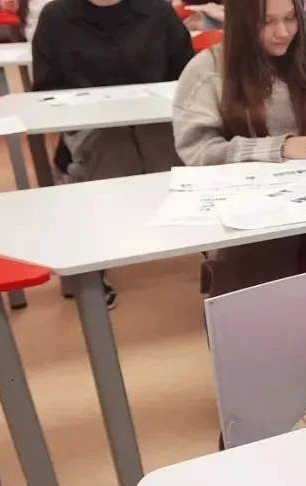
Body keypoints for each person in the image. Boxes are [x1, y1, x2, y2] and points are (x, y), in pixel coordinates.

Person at [172, 0, 306, 296]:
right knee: (262, 293)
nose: (283, 32)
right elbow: (197, 148)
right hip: (253, 221)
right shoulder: (207, 71)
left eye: (291, 18)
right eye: (267, 22)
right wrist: (277, 148)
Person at [31, 0, 194, 308]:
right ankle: (93, 266)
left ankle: (213, 248)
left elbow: (187, 76)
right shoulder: (56, 17)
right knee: (110, 152)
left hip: (158, 119)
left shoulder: (157, 11)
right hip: (91, 125)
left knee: (177, 155)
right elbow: (44, 91)